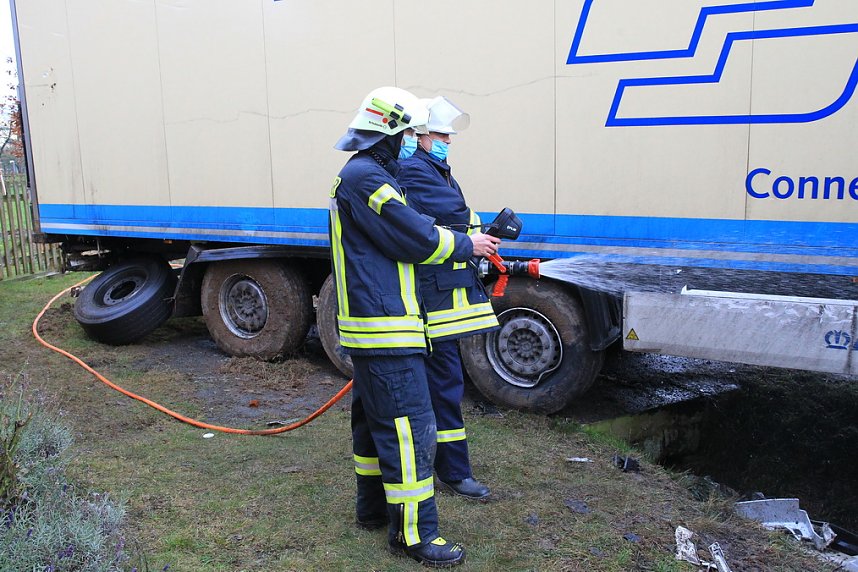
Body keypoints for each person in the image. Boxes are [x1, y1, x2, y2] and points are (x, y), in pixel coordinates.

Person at [329, 86, 501, 568]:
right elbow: (415, 236)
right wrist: (467, 245)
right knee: (410, 431)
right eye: (409, 132)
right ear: (388, 131)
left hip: (377, 328)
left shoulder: (365, 174)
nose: (414, 140)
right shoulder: (368, 179)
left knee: (373, 426)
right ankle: (414, 535)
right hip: (386, 329)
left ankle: (372, 510)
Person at [397, 96, 498, 501]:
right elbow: (455, 211)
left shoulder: (431, 166)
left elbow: (453, 217)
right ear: (420, 135)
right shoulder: (414, 168)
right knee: (445, 383)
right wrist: (473, 235)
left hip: (437, 293)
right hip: (431, 298)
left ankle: (442, 466)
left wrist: (474, 238)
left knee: (443, 383)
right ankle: (453, 472)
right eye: (441, 135)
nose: (447, 141)